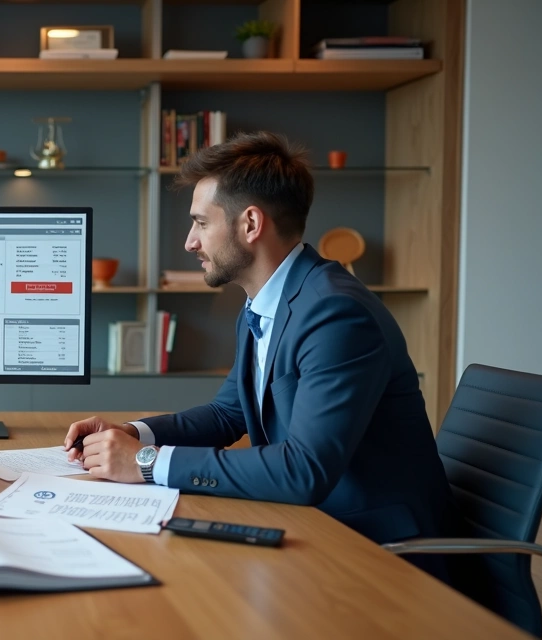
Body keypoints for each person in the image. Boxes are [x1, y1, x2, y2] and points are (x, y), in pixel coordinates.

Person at [64, 131, 470, 583]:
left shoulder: (337, 314)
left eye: (201, 222)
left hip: (378, 552)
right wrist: (133, 433)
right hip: (314, 526)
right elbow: (227, 413)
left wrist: (146, 462)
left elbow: (304, 469)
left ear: (251, 224)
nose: (189, 242)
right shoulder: (266, 303)